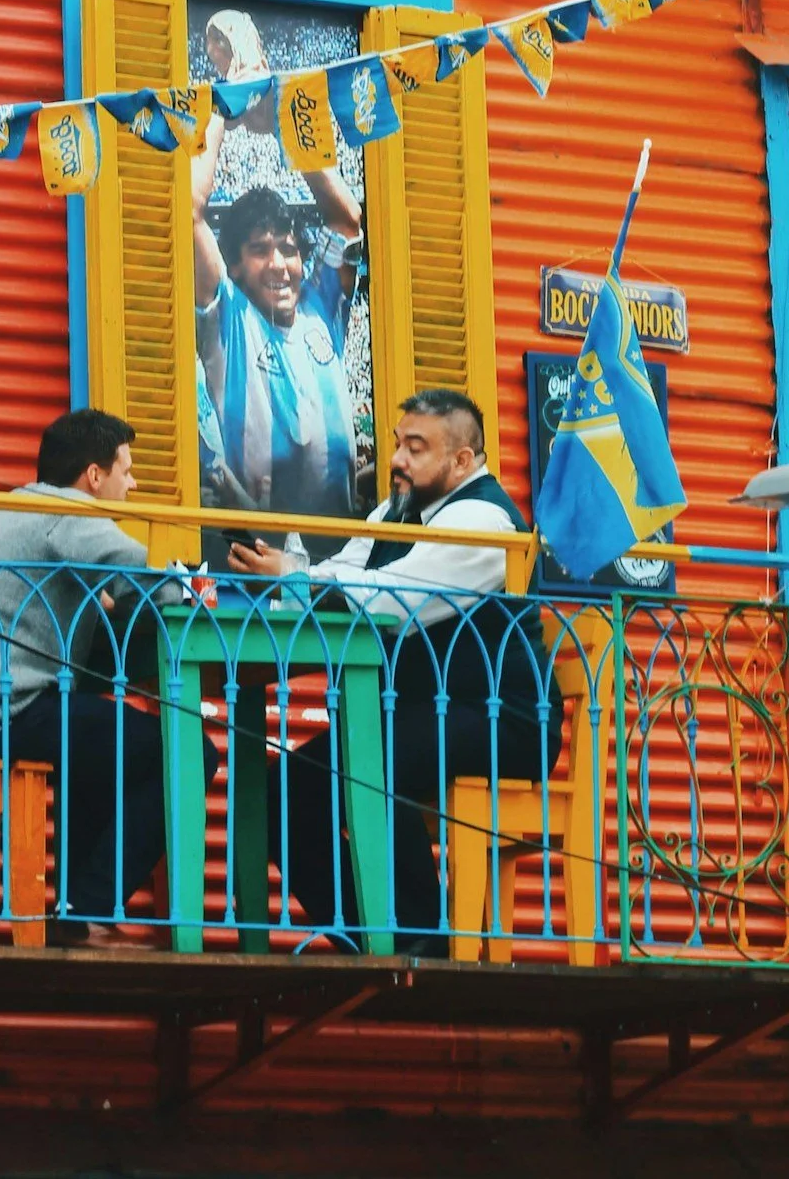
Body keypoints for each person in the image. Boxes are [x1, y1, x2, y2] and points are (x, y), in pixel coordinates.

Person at [230, 389, 556, 954]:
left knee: (372, 762)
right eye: (399, 443)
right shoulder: (395, 511)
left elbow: (391, 600)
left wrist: (297, 577)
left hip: (502, 719)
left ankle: (421, 938)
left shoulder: (484, 520)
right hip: (425, 713)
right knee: (281, 788)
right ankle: (369, 936)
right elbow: (342, 570)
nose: (398, 459)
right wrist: (289, 571)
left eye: (416, 448)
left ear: (462, 460)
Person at [0, 407, 215, 947]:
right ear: (94, 476)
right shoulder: (67, 512)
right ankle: (91, 907)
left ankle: (78, 914)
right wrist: (192, 587)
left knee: (101, 739)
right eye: (126, 470)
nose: (133, 484)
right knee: (189, 750)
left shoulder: (24, 508)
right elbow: (153, 580)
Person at [191, 120, 364, 514]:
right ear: (233, 266)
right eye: (259, 250)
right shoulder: (230, 319)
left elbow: (347, 219)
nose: (278, 265)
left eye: (288, 249)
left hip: (340, 546)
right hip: (258, 544)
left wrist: (289, 122)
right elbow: (189, 211)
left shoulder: (321, 307)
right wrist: (221, 110)